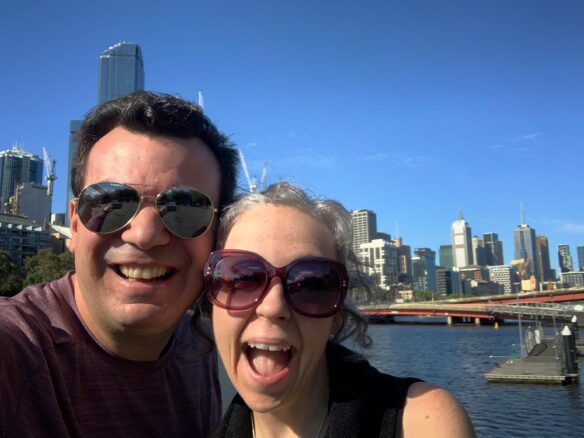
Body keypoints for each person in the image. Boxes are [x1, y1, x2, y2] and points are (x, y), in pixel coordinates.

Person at [0, 91, 238, 437]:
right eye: (111, 201)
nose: (144, 235)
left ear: (217, 234)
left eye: (185, 208)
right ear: (76, 225)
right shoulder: (15, 352)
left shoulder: (200, 345)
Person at [201, 182, 476, 437]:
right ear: (211, 300)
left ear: (337, 315)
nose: (273, 307)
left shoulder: (421, 420)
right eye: (242, 278)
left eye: (311, 284)